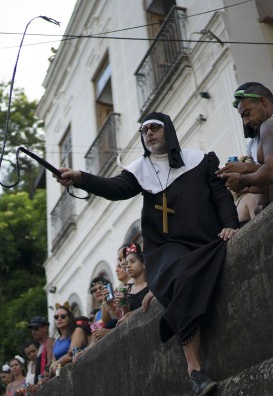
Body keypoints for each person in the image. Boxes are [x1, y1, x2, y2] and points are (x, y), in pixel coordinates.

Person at [54, 111, 239, 396]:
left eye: (155, 127)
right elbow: (113, 188)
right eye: (144, 131)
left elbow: (221, 196)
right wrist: (80, 177)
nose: (149, 133)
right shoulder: (140, 170)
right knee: (179, 271)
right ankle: (194, 370)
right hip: (166, 248)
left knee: (188, 270)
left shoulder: (201, 161)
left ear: (169, 131)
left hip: (204, 239)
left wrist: (229, 225)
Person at [49, 302, 88, 375]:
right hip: (62, 375)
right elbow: (53, 364)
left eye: (63, 316)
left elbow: (71, 354)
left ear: (70, 318)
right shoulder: (56, 342)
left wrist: (58, 363)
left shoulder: (77, 331)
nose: (59, 319)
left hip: (78, 370)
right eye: (56, 317)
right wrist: (53, 368)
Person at [117, 243, 151, 324]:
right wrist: (123, 302)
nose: (128, 266)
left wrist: (133, 314)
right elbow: (126, 318)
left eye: (132, 261)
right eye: (127, 263)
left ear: (143, 264)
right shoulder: (127, 290)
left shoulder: (151, 284)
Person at [27, 316, 53, 386]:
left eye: (36, 328)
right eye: (32, 330)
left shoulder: (50, 341)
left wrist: (37, 385)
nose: (33, 332)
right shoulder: (40, 348)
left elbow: (49, 366)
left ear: (45, 328)